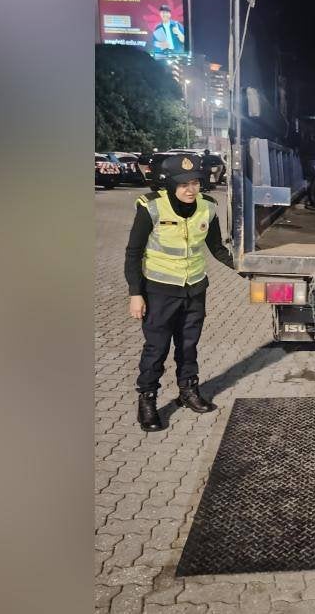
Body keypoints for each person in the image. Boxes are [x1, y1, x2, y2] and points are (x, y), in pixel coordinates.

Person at [124, 155, 234, 432]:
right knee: (156, 349)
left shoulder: (207, 209)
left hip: (195, 289)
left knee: (188, 345)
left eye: (195, 182)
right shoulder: (151, 208)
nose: (190, 189)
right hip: (159, 291)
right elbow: (133, 253)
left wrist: (246, 268)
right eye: (183, 184)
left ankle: (188, 392)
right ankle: (147, 401)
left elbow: (217, 248)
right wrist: (135, 293)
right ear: (170, 185)